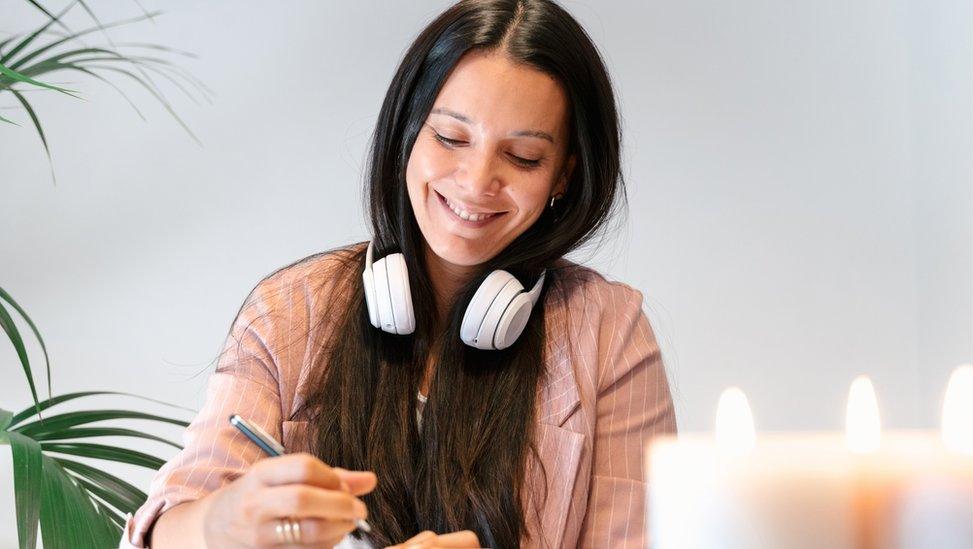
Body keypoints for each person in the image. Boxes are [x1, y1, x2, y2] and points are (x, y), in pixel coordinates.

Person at [121, 0, 676, 547]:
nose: (477, 181)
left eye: (525, 157)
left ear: (563, 175)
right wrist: (222, 523)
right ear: (407, 132)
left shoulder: (609, 332)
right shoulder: (291, 309)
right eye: (451, 138)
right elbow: (164, 529)